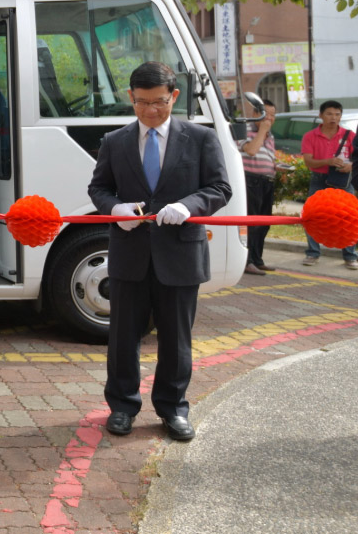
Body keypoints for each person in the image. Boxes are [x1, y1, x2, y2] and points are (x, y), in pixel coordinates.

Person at [88, 62, 231, 441]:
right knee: (122, 337)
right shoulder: (115, 141)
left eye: (160, 102)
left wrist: (190, 206)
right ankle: (122, 406)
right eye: (142, 103)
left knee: (176, 338)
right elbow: (99, 189)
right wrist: (114, 210)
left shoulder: (200, 139)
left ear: (175, 96)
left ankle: (172, 409)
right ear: (130, 97)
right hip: (130, 254)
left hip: (180, 254)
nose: (151, 111)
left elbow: (220, 188)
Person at [299, 100, 358, 269]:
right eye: (329, 114)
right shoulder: (310, 136)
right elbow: (308, 161)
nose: (334, 117)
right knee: (311, 216)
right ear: (321, 115)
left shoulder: (350, 135)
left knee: (349, 217)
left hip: (344, 180)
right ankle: (312, 253)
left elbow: (357, 158)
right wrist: (328, 161)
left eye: (337, 114)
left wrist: (351, 166)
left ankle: (350, 255)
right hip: (319, 179)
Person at [238, 98, 278, 275]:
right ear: (255, 114)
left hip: (266, 181)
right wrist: (262, 130)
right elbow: (251, 150)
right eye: (265, 114)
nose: (269, 119)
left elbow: (267, 156)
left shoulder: (270, 136)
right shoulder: (244, 130)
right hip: (250, 180)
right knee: (251, 223)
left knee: (264, 223)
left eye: (272, 115)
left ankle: (258, 258)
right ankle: (248, 261)